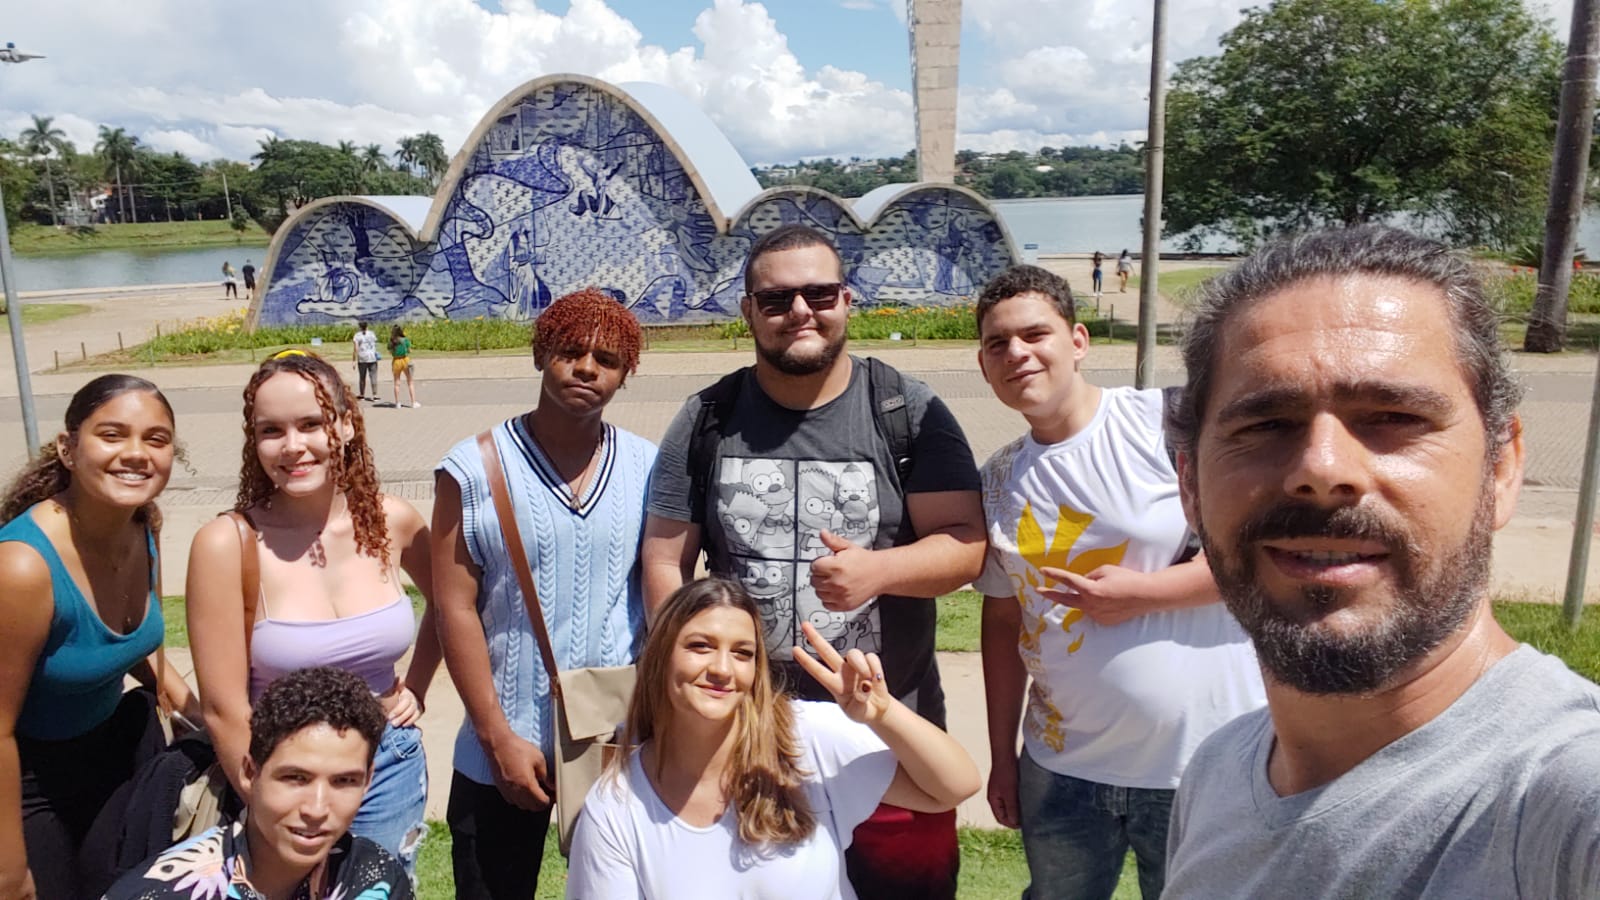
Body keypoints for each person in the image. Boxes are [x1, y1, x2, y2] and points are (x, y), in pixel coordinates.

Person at [1162, 225, 1600, 898]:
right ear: (1190, 485)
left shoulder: (1564, 803)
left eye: (1392, 415)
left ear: (1502, 467)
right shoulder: (1218, 771)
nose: (1322, 468)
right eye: (1266, 425)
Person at [642, 223, 986, 898]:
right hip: (745, 736)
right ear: (748, 311)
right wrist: (682, 676)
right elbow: (663, 560)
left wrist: (880, 571)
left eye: (819, 293)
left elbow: (967, 544)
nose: (801, 311)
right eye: (776, 299)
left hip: (885, 737)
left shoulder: (906, 411)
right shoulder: (709, 416)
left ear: (847, 301)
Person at [971, 265, 1264, 900]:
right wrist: (1003, 756)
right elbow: (1003, 622)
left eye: (1034, 334)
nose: (1017, 353)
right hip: (1060, 768)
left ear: (1077, 341)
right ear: (983, 363)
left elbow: (1265, 551)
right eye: (998, 344)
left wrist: (1141, 595)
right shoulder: (997, 479)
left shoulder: (1170, 423)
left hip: (1197, 762)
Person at [432, 287, 655, 900]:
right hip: (503, 747)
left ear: (624, 376)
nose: (587, 367)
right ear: (540, 355)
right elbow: (454, 607)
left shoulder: (647, 467)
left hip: (618, 742)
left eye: (607, 359)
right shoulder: (471, 468)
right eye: (570, 350)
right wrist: (495, 736)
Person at [186, 351, 442, 878]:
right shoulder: (225, 543)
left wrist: (416, 686)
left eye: (311, 424)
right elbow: (223, 709)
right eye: (271, 431)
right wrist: (268, 796)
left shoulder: (393, 521)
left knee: (381, 890)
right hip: (281, 772)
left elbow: (451, 604)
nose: (293, 446)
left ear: (346, 426)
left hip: (386, 763)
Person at [566, 577, 981, 899]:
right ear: (660, 657)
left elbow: (953, 786)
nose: (723, 669)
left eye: (743, 653)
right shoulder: (617, 807)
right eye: (700, 646)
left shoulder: (804, 736)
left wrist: (884, 715)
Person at [0, 374, 199, 899]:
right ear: (68, 449)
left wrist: (198, 714)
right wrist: (9, 869)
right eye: (112, 435)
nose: (135, 453)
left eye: (155, 440)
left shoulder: (144, 527)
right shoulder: (22, 567)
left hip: (112, 756)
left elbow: (134, 647)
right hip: (28, 784)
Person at [103, 666, 413, 900]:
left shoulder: (378, 878)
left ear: (368, 780)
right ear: (250, 774)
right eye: (295, 778)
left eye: (344, 781)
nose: (317, 808)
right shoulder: (162, 892)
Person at [389, 325, 418, 409]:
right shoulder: (405, 340)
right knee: (410, 381)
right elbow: (409, 350)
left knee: (397, 383)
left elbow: (390, 351)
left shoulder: (392, 341)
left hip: (396, 361)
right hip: (405, 360)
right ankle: (413, 402)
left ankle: (397, 403)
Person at [352, 321, 381, 402]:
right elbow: (375, 344)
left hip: (362, 357)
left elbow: (355, 349)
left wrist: (354, 360)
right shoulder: (372, 334)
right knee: (373, 376)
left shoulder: (357, 335)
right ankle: (375, 395)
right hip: (372, 356)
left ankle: (362, 394)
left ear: (360, 327)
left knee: (362, 377)